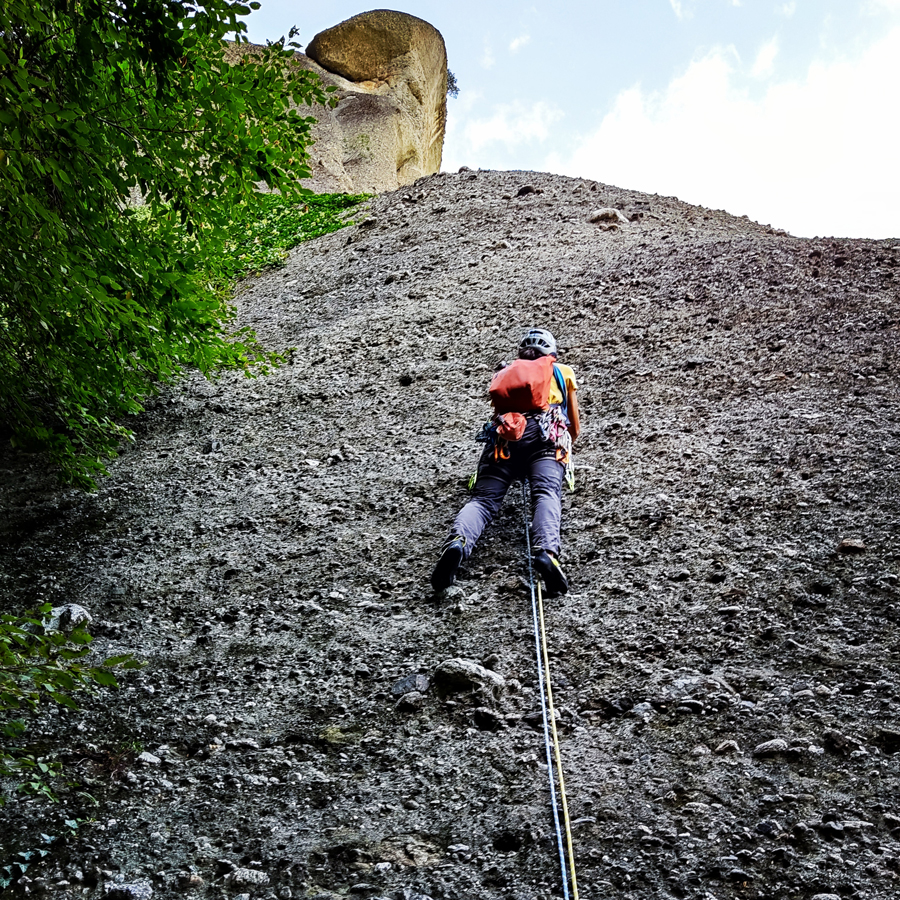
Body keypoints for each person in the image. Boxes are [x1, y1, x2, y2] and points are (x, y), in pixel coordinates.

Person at [431, 328, 581, 596]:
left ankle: (457, 543)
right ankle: (547, 554)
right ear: (551, 353)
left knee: (483, 500)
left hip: (503, 440)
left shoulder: (505, 372)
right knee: (545, 493)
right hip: (545, 437)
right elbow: (574, 426)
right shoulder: (562, 372)